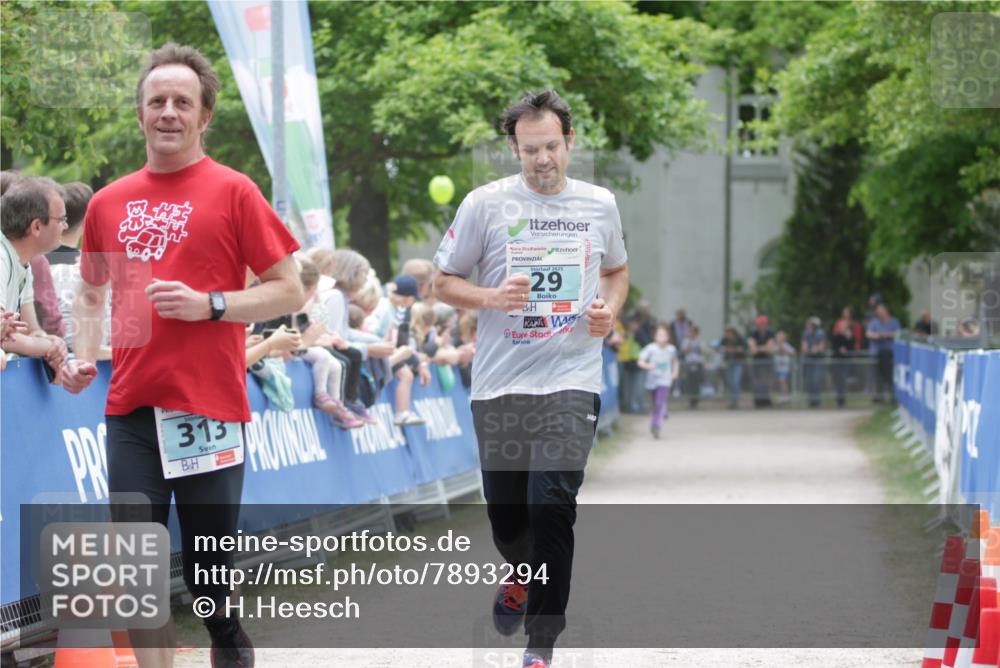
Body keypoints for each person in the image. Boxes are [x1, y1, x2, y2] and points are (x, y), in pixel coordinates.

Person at [61, 43, 303, 668]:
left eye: (182, 102)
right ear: (140, 114)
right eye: (157, 101)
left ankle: (225, 636)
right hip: (133, 409)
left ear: (204, 118)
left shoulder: (234, 190)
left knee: (207, 579)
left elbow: (288, 286)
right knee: (137, 574)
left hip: (209, 409)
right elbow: (91, 290)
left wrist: (212, 306)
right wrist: (83, 357)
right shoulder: (111, 201)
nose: (169, 112)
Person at [433, 89, 629, 668]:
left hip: (571, 378)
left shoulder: (600, 205)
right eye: (528, 150)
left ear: (570, 142)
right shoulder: (485, 205)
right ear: (513, 150)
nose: (542, 160)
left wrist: (609, 311)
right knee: (508, 517)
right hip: (500, 387)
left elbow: (616, 273)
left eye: (550, 147)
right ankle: (520, 571)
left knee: (552, 504)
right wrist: (491, 296)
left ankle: (541, 643)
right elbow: (442, 283)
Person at [0, 176, 70, 372]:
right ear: (37, 226)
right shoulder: (2, 257)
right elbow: (5, 339)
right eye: (62, 219)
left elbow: (31, 330)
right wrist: (49, 347)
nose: (65, 226)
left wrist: (51, 341)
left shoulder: (24, 262)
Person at [637, 323, 679, 439]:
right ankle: (662, 411)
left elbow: (675, 361)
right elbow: (640, 361)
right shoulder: (651, 348)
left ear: (668, 337)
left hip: (665, 380)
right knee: (656, 404)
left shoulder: (671, 349)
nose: (662, 337)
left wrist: (675, 372)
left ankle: (655, 425)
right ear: (655, 336)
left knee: (659, 403)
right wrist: (647, 366)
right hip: (652, 380)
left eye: (664, 335)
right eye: (660, 335)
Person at [866, 303, 900, 403]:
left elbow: (899, 333)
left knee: (890, 375)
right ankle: (879, 396)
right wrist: (880, 335)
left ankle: (892, 396)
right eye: (878, 312)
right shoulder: (874, 322)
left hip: (890, 354)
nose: (880, 313)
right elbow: (868, 334)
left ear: (886, 311)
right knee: (877, 376)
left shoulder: (894, 322)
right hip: (876, 354)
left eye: (881, 311)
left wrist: (888, 334)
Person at [830, 307, 861, 408]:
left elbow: (853, 344)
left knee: (843, 378)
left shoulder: (850, 334)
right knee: (837, 379)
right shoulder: (836, 335)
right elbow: (834, 344)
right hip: (837, 359)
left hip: (845, 359)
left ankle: (842, 398)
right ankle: (839, 397)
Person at [747, 314, 776, 407]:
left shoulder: (770, 333)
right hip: (757, 362)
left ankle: (767, 399)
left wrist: (758, 348)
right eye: (759, 325)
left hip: (767, 361)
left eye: (762, 324)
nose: (760, 327)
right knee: (757, 380)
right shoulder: (753, 333)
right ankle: (758, 400)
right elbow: (753, 350)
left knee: (767, 380)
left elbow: (770, 349)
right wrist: (764, 348)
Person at [717, 325, 747, 409]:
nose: (727, 334)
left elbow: (742, 349)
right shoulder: (724, 339)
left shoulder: (739, 339)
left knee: (736, 381)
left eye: (729, 333)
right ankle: (732, 400)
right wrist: (725, 349)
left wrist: (731, 349)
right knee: (730, 382)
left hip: (738, 362)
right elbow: (719, 348)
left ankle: (735, 400)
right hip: (728, 363)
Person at [800, 317, 826, 407]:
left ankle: (816, 400)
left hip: (817, 360)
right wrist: (812, 349)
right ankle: (811, 400)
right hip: (809, 360)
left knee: (816, 379)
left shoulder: (820, 333)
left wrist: (815, 349)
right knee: (809, 380)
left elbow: (821, 347)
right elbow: (804, 348)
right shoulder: (806, 334)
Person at [681, 323, 707, 408]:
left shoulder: (700, 341)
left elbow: (703, 351)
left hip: (698, 363)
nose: (691, 334)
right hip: (689, 363)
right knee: (689, 383)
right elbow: (684, 351)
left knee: (697, 383)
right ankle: (691, 401)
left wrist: (697, 342)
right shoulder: (686, 341)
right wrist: (689, 342)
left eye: (693, 332)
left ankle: (696, 401)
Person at [773, 330, 796, 404]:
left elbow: (793, 351)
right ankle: (782, 396)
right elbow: (771, 351)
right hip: (778, 367)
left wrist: (783, 348)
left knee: (783, 381)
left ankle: (786, 397)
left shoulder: (786, 345)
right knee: (780, 382)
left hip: (785, 367)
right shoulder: (775, 345)